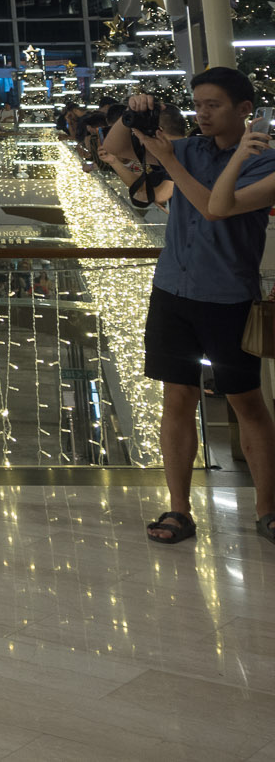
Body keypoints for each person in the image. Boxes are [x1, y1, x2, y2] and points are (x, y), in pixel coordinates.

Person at [109, 71, 275, 547]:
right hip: (172, 293)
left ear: (245, 110)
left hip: (228, 296)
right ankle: (179, 509)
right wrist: (132, 114)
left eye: (213, 105)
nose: (202, 113)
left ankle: (268, 510)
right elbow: (116, 150)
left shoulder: (262, 161)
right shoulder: (189, 149)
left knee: (247, 404)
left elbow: (214, 208)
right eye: (197, 104)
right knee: (176, 399)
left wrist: (167, 161)